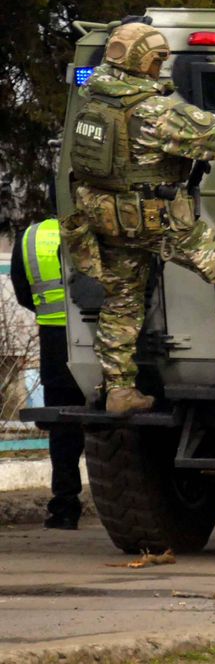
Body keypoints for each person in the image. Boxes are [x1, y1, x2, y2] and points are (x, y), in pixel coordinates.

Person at [64, 21, 215, 415]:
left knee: (122, 301)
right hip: (157, 222)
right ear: (146, 62)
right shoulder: (154, 112)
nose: (159, 67)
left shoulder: (92, 102)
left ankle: (119, 390)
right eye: (158, 60)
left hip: (108, 223)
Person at [11, 218, 85, 529]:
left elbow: (23, 293)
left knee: (63, 426)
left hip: (55, 340)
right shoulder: (100, 223)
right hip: (106, 334)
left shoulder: (31, 235)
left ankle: (65, 507)